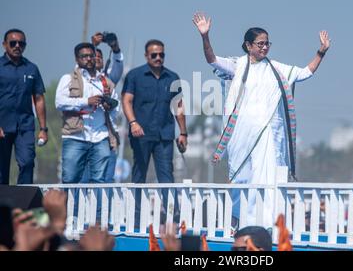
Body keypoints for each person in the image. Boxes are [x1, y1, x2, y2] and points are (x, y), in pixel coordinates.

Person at [193, 12, 331, 227]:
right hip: (241, 134)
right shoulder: (237, 65)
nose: (265, 47)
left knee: (268, 178)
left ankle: (268, 225)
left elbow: (305, 73)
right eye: (260, 43)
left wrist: (321, 52)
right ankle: (240, 224)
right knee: (241, 178)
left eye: (267, 43)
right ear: (248, 45)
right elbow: (211, 59)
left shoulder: (277, 69)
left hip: (270, 133)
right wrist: (205, 36)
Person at [122, 39, 187, 222]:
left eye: (161, 55)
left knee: (166, 174)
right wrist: (133, 123)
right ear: (146, 56)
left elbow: (179, 106)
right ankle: (135, 217)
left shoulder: (172, 77)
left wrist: (183, 133)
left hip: (165, 134)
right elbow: (126, 100)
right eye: (154, 55)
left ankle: (172, 215)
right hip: (141, 134)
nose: (158, 58)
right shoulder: (135, 76)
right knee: (139, 174)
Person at [55, 42, 119, 184]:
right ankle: (71, 207)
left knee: (100, 181)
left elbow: (116, 107)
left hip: (100, 136)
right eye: (84, 56)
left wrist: (109, 107)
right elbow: (59, 102)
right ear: (77, 59)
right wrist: (85, 101)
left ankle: (98, 208)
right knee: (70, 179)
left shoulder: (105, 82)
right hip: (75, 136)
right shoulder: (68, 78)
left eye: (91, 56)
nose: (89, 59)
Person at [0, 29, 47, 184]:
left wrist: (43, 129)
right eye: (13, 43)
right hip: (2, 126)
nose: (17, 46)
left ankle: (23, 205)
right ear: (4, 45)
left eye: (21, 43)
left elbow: (39, 98)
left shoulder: (32, 68)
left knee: (27, 163)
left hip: (25, 126)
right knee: (1, 170)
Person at [81, 32, 125, 183]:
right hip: (84, 136)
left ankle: (102, 208)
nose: (96, 59)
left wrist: (115, 48)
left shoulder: (108, 80)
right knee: (83, 181)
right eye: (93, 56)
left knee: (105, 182)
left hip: (107, 138)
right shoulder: (80, 79)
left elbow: (118, 66)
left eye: (100, 57)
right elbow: (79, 68)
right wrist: (93, 45)